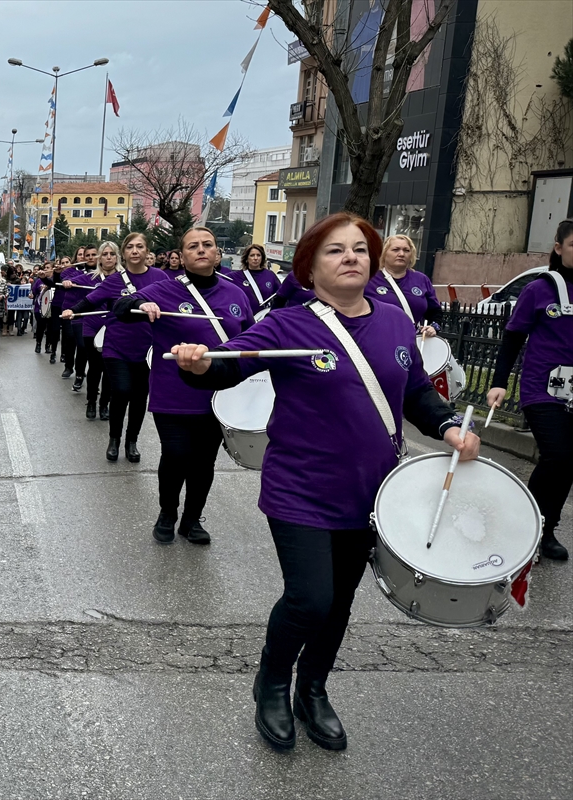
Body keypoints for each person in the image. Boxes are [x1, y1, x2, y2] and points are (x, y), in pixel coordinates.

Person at [172, 212, 478, 752]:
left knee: (339, 603)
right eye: (335, 251)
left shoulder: (392, 321)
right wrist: (197, 365)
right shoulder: (290, 323)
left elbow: (414, 395)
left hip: (369, 492)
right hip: (301, 488)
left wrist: (450, 426)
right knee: (310, 599)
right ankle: (272, 681)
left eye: (360, 248)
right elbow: (228, 365)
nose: (352, 257)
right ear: (310, 267)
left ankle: (313, 689)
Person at [117, 227, 254, 544]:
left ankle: (192, 519)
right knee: (177, 455)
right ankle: (167, 511)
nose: (202, 250)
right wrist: (141, 305)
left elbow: (251, 339)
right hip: (173, 393)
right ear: (182, 255)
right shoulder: (164, 290)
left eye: (208, 245)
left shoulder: (236, 295)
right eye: (194, 246)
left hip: (219, 395)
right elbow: (121, 308)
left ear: (218, 253)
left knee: (204, 462)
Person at [487, 218, 573, 561]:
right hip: (542, 388)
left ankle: (545, 529)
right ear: (558, 248)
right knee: (559, 455)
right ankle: (527, 525)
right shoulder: (539, 289)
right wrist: (498, 383)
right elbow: (512, 338)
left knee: (568, 462)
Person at [63, 233, 169, 462]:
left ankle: (132, 442)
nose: (134, 250)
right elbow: (90, 300)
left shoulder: (160, 278)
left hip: (148, 350)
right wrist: (73, 310)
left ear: (146, 251)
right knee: (121, 392)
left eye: (140, 246)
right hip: (116, 347)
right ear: (124, 252)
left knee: (140, 397)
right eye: (130, 247)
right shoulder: (114, 280)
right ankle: (114, 439)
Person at [365, 235, 441, 336]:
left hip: (411, 340)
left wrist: (433, 327)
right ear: (384, 253)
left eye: (406, 250)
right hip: (378, 338)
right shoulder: (369, 279)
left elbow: (435, 311)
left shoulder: (421, 280)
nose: (401, 254)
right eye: (395, 250)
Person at [80, 242, 118, 421]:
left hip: (113, 329)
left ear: (117, 256)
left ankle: (105, 404)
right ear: (99, 257)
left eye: (112, 254)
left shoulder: (123, 278)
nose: (108, 257)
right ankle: (91, 401)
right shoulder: (90, 277)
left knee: (109, 369)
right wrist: (60, 278)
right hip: (92, 327)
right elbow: (66, 278)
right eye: (105, 254)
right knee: (95, 368)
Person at [62, 246, 98, 390]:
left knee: (94, 350)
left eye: (91, 255)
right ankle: (76, 372)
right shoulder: (73, 271)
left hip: (97, 314)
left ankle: (93, 379)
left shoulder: (102, 273)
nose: (86, 257)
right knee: (79, 344)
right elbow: (64, 279)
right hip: (76, 312)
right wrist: (65, 280)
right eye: (83, 255)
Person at [228, 244, 282, 315]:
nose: (255, 258)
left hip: (264, 318)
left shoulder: (270, 275)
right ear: (246, 258)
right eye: (252, 255)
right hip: (245, 319)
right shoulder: (236, 276)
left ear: (262, 258)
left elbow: (281, 296)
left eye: (258, 255)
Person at [32, 264, 52, 354]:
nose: (46, 269)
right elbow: (34, 291)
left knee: (50, 329)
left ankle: (48, 345)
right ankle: (38, 343)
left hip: (52, 308)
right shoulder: (39, 280)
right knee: (41, 327)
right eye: (45, 268)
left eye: (48, 268)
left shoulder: (55, 280)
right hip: (39, 308)